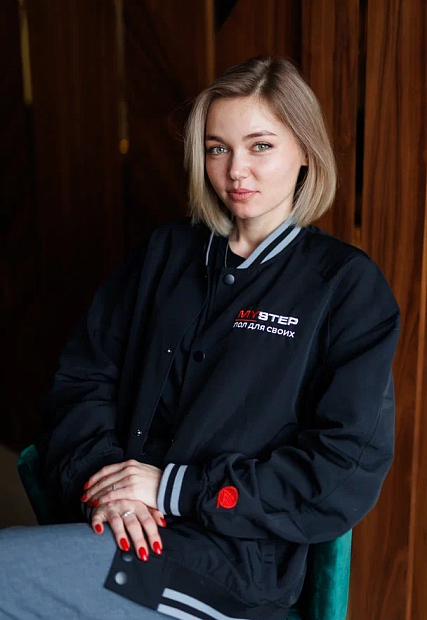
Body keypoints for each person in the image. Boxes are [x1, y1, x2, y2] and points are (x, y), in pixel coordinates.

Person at [0, 55, 400, 620]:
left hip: (228, 566)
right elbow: (79, 385)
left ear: (306, 152)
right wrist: (108, 486)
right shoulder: (164, 254)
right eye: (218, 148)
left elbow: (340, 469)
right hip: (117, 530)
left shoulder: (346, 287)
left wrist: (173, 489)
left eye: (261, 146)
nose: (237, 170)